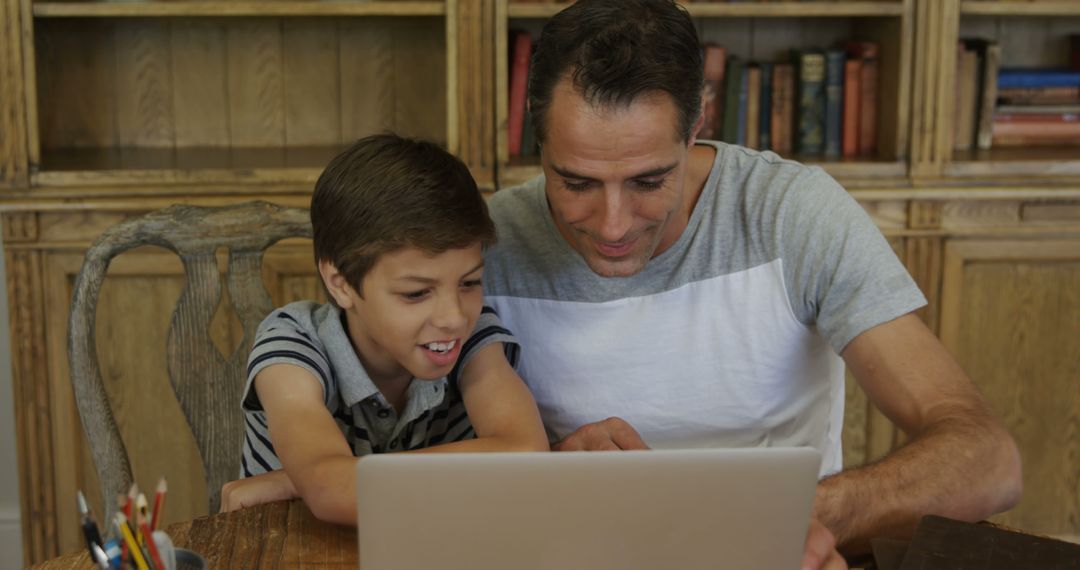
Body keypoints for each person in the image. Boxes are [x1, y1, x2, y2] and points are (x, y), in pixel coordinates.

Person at [481, 0, 1022, 567]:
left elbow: (987, 458)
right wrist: (543, 475)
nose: (613, 224)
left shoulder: (790, 214)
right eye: (576, 182)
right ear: (537, 143)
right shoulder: (486, 247)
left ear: (695, 130)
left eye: (648, 180)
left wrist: (794, 517)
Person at [220, 134, 549, 524]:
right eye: (417, 292)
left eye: (469, 283)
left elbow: (526, 453)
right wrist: (324, 481)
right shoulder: (292, 342)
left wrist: (298, 481)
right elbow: (333, 491)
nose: (454, 317)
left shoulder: (473, 336)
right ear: (340, 283)